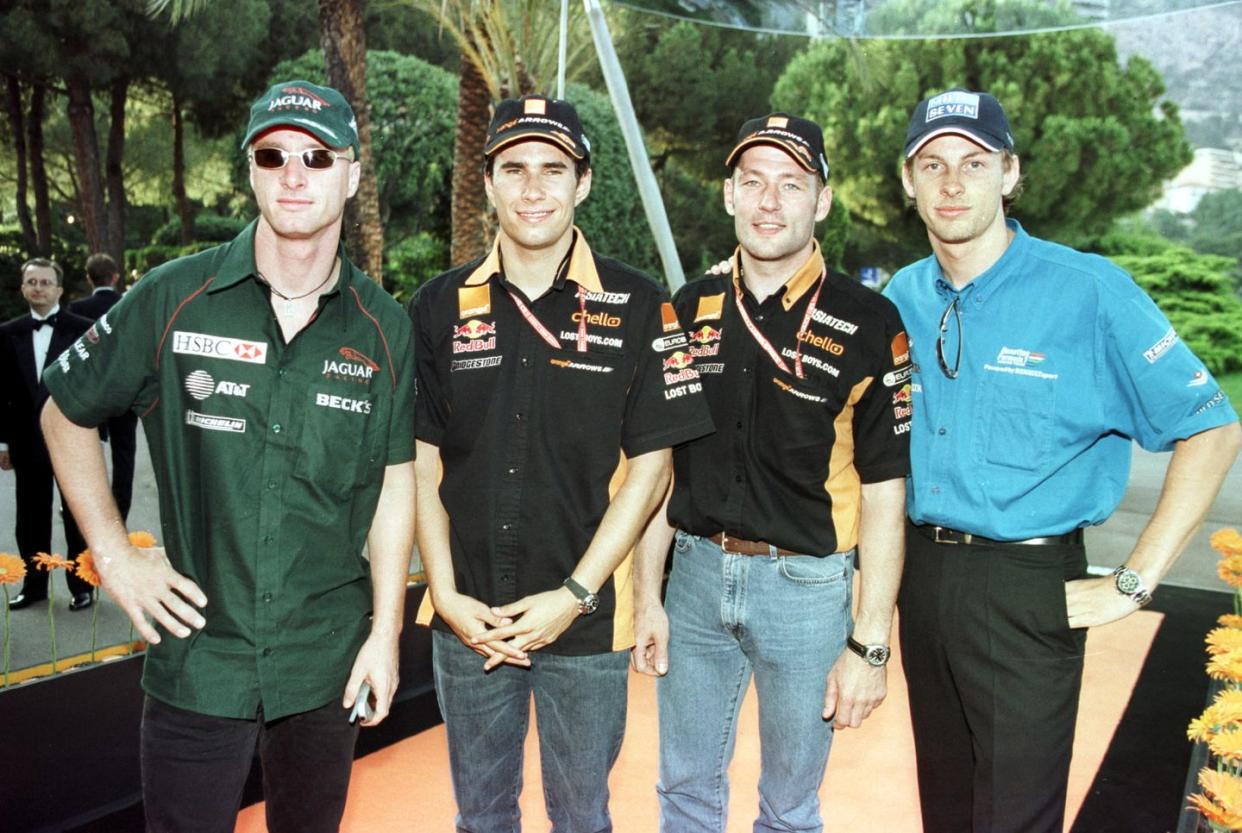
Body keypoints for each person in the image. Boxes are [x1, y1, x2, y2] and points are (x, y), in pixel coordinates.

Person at [40, 80, 417, 833]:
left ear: (350, 173)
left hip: (326, 666)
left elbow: (392, 485)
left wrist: (385, 634)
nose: (295, 174)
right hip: (197, 661)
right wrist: (112, 554)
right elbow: (63, 412)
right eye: (273, 154)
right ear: (250, 170)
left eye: (317, 156)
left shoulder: (384, 329)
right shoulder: (175, 296)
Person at [883, 87, 1242, 833]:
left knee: (1014, 818)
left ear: (1009, 174)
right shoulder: (901, 297)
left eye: (974, 162)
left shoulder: (1090, 291)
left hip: (1027, 585)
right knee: (944, 810)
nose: (952, 182)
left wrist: (1136, 579)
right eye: (933, 163)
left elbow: (1211, 425)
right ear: (908, 179)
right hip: (922, 580)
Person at [409, 94, 713, 832]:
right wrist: (445, 594)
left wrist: (575, 593)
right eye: (513, 168)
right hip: (469, 621)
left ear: (583, 182)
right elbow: (418, 464)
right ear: (487, 182)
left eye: (554, 168)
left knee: (582, 815)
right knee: (480, 816)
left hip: (585, 624)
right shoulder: (438, 305)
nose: (533, 187)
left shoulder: (641, 304)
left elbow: (652, 473)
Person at [632, 113, 913, 833]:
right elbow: (660, 468)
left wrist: (870, 642)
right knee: (684, 792)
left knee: (789, 809)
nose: (768, 201)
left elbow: (885, 492)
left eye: (791, 184)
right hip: (693, 580)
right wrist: (647, 597)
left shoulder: (869, 320)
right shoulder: (688, 307)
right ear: (728, 194)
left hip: (807, 590)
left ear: (821, 201)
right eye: (753, 182)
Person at [0, 258, 94, 610]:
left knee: (77, 514)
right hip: (27, 442)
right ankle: (34, 586)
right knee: (30, 517)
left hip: (73, 438)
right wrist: (3, 442)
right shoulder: (7, 333)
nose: (38, 288)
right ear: (23, 288)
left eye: (44, 282)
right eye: (31, 282)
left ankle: (82, 586)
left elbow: (94, 385)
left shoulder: (84, 329)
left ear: (59, 289)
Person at [69, 253, 138, 522]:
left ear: (89, 278)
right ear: (115, 277)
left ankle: (82, 508)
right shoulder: (129, 303)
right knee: (124, 455)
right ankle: (119, 513)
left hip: (90, 393)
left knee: (86, 455)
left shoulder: (76, 309)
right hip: (125, 391)